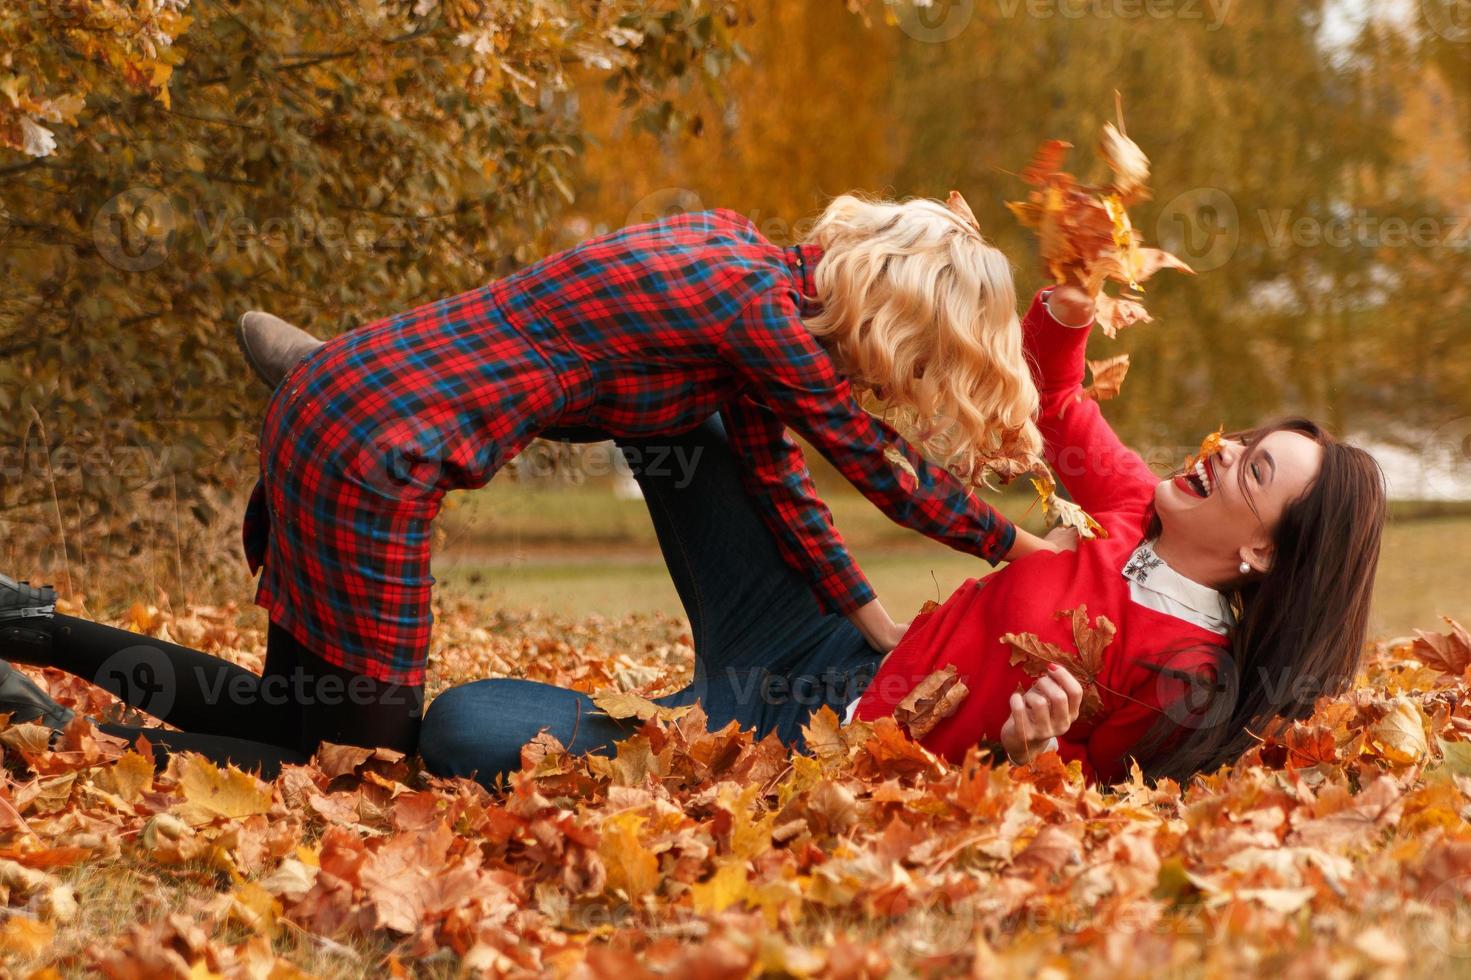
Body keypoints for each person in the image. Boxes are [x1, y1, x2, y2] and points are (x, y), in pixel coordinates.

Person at [0, 196, 1063, 769]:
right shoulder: (767, 321)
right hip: (379, 458)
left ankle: (31, 626)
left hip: (341, 403)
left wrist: (866, 615)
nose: (892, 386)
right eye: (913, 363)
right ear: (890, 316)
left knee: (292, 714)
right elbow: (875, 468)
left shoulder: (735, 263)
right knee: (354, 765)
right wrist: (1020, 547)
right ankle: (53, 735)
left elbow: (780, 481)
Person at [417, 282, 1388, 787]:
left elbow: (1077, 808)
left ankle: (656, 721)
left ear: (1262, 553)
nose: (1223, 451)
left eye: (1253, 469)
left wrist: (1025, 752)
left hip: (805, 749)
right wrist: (1070, 306)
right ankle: (421, 399)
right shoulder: (1138, 506)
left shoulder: (1182, 673)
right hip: (832, 640)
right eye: (1246, 439)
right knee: (695, 401)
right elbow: (1050, 394)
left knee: (459, 727)